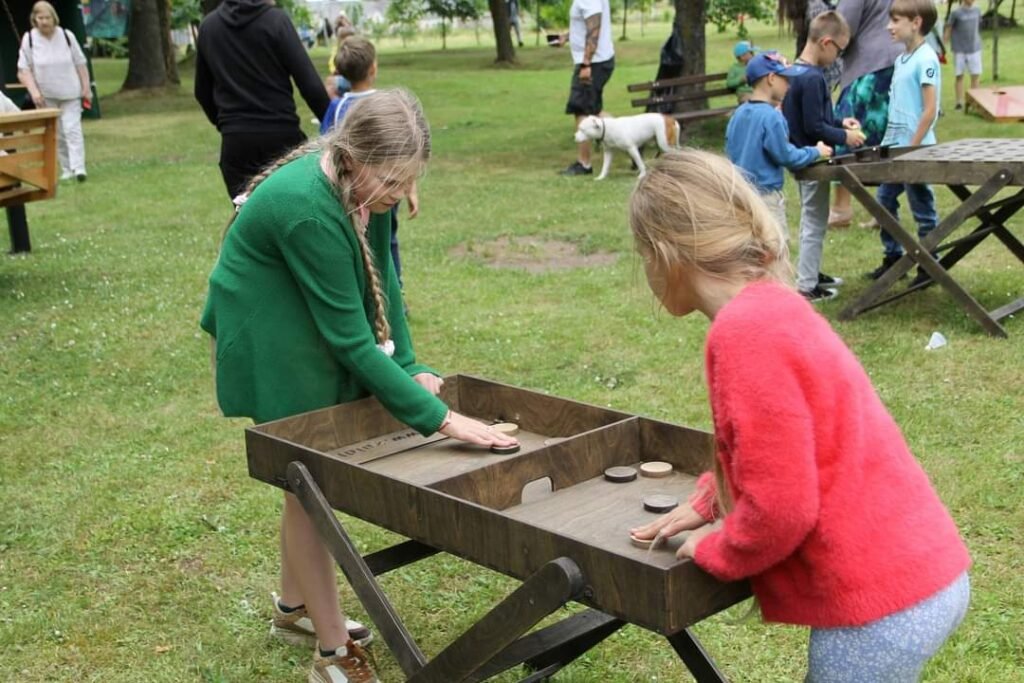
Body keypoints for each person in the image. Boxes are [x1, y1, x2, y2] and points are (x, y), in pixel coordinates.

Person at [201, 89, 517, 683]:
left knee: (301, 479)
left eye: (409, 181)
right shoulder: (309, 211)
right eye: (392, 181)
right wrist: (442, 419)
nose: (401, 193)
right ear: (351, 158)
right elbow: (350, 340)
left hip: (300, 313)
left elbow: (385, 285)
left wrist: (411, 364)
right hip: (266, 327)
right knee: (308, 479)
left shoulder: (370, 189)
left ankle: (294, 609)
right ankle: (331, 652)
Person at [628, 149, 971, 683]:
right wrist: (710, 499)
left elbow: (782, 510)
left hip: (880, 605)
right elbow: (780, 446)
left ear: (665, 253)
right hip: (922, 572)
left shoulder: (743, 335)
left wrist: (720, 548)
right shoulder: (773, 305)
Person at [194, 0, 329, 201]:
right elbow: (310, 85)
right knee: (291, 208)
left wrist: (226, 124)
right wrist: (332, 123)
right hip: (281, 135)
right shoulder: (276, 22)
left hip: (236, 141)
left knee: (246, 214)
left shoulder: (209, 27)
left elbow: (202, 91)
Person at [320, 37, 414, 294]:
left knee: (372, 239)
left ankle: (389, 290)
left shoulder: (338, 106)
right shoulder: (384, 104)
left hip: (361, 190)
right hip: (362, 192)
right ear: (373, 68)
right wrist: (409, 188)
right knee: (384, 241)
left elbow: (324, 145)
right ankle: (386, 289)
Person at [783, 11, 866, 302]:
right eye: (839, 51)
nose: (838, 58)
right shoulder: (813, 78)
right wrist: (845, 137)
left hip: (803, 156)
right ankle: (807, 285)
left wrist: (841, 122)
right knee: (814, 222)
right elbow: (814, 127)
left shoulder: (796, 71)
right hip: (812, 160)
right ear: (826, 43)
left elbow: (817, 117)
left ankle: (811, 272)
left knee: (813, 219)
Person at [867, 0, 941, 285]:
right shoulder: (901, 60)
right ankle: (893, 258)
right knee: (883, 202)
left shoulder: (927, 59)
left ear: (916, 22)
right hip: (895, 149)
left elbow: (930, 110)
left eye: (896, 20)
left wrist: (912, 146)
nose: (889, 26)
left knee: (922, 208)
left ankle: (929, 265)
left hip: (915, 150)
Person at [725, 52, 831, 238]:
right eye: (786, 80)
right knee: (775, 247)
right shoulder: (772, 117)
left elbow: (730, 150)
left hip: (740, 196)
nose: (789, 86)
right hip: (766, 197)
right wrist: (815, 151)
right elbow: (786, 156)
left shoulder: (738, 114)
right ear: (771, 78)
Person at [828, 0, 907, 228]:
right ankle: (885, 210)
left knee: (848, 134)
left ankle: (841, 209)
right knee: (890, 137)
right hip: (900, 58)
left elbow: (842, 26)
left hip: (868, 66)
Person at [17, 1, 90, 182]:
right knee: (57, 133)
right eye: (40, 18)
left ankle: (79, 168)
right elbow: (24, 70)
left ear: (53, 18)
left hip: (70, 92)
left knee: (72, 129)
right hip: (46, 96)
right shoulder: (29, 39)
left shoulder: (67, 36)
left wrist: (86, 87)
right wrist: (34, 92)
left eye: (47, 17)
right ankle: (66, 169)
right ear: (34, 19)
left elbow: (80, 63)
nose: (44, 21)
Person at [558, 0, 615, 176]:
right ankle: (634, 138)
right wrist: (567, 36)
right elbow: (586, 24)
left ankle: (584, 164)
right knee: (593, 110)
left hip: (594, 62)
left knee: (581, 109)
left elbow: (594, 28)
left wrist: (586, 64)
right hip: (597, 61)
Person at [944, 0, 983, 111]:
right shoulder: (956, 12)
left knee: (975, 75)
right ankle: (959, 102)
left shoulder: (977, 10)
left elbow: (978, 27)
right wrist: (944, 45)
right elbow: (949, 28)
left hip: (974, 48)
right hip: (959, 49)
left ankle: (974, 101)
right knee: (959, 75)